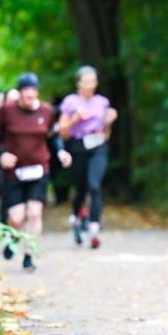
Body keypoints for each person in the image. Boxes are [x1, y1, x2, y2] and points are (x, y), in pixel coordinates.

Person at [0, 73, 72, 272]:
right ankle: (13, 236)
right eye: (25, 93)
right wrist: (1, 154)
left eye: (33, 93)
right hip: (14, 171)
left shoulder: (47, 111)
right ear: (20, 94)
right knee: (16, 217)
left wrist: (61, 151)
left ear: (37, 93)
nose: (29, 97)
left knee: (33, 213)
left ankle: (29, 255)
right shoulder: (7, 111)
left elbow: (53, 136)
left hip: (39, 169)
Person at [58, 66, 118, 248]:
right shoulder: (70, 101)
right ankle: (76, 217)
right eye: (86, 81)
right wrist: (75, 118)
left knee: (94, 185)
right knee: (81, 189)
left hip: (98, 146)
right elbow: (63, 132)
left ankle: (94, 227)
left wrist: (108, 122)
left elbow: (107, 133)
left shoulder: (102, 102)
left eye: (93, 81)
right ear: (78, 83)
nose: (90, 85)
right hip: (78, 146)